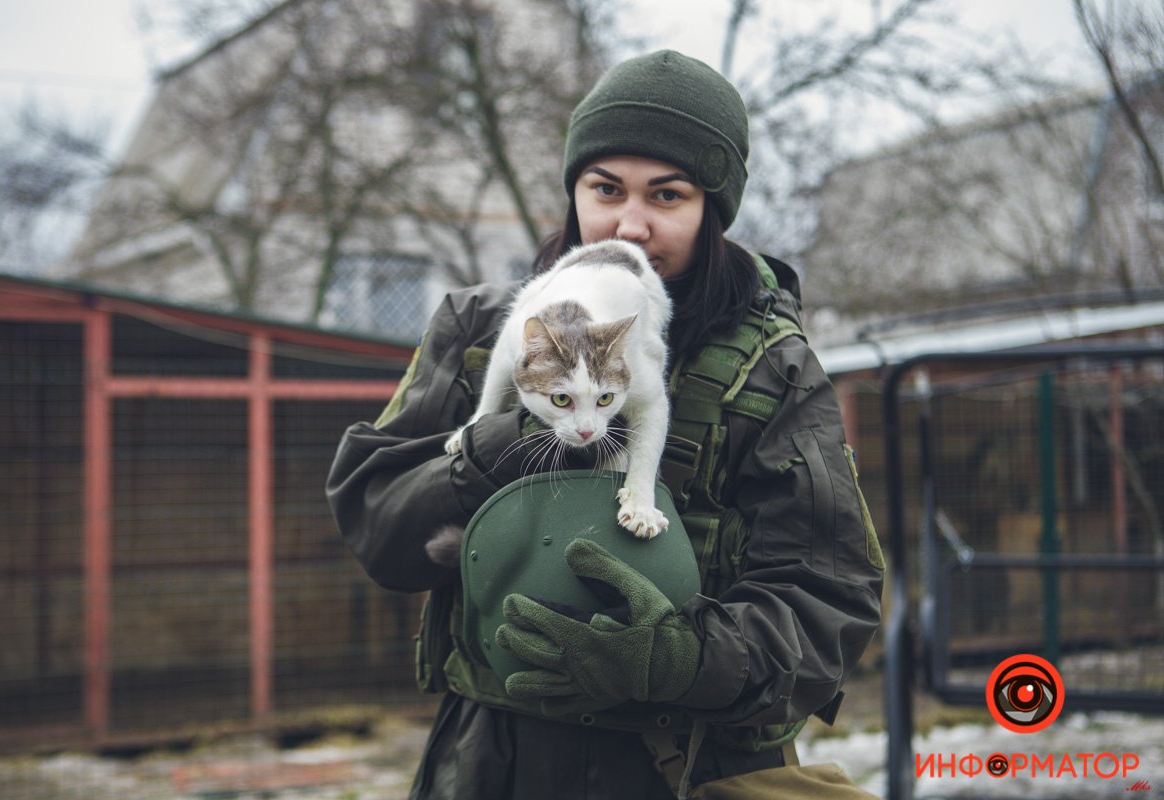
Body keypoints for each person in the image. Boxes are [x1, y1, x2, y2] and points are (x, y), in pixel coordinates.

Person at [327, 50, 885, 799]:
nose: (632, 224)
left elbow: (830, 602)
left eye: (668, 195)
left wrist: (679, 659)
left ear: (712, 210)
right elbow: (378, 530)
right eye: (605, 188)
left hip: (683, 768)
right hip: (491, 763)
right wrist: (487, 452)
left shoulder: (771, 369)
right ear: (574, 193)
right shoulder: (485, 331)